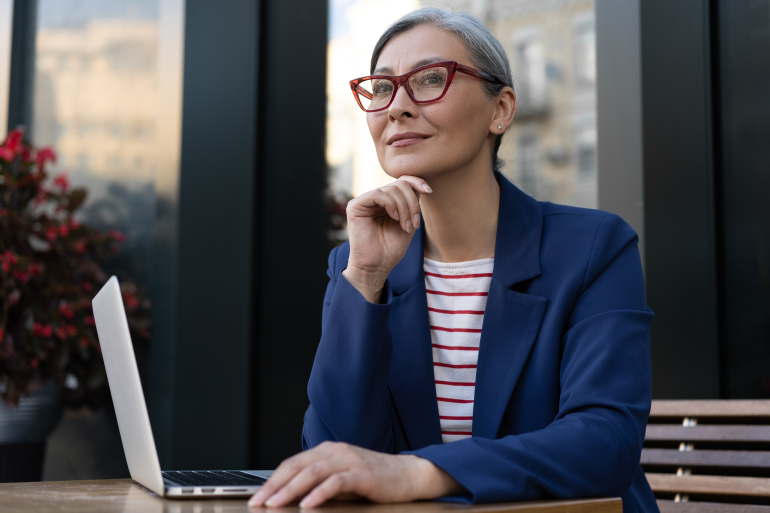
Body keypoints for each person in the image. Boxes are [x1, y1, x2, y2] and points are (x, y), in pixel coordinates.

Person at [248, 7, 657, 513]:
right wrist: (365, 279)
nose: (396, 106)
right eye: (381, 88)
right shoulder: (360, 265)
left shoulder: (593, 247)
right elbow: (335, 451)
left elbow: (605, 442)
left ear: (500, 109)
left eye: (430, 79)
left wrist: (416, 472)